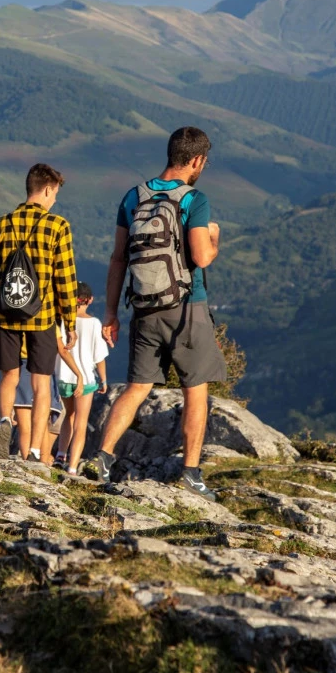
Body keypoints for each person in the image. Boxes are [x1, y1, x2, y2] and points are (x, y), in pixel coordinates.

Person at [83, 127, 226, 501]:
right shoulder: (195, 200)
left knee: (137, 388)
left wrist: (111, 314)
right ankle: (191, 476)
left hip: (144, 307)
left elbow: (118, 259)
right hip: (186, 308)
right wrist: (214, 237)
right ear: (196, 161)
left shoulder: (134, 196)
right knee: (195, 391)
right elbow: (200, 257)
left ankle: (101, 458)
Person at [0, 164, 79, 462]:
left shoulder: (2, 224)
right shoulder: (58, 226)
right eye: (55, 193)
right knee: (40, 381)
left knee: (9, 374)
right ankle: (34, 450)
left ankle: (4, 422)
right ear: (47, 189)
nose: (55, 200)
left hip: (6, 315)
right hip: (42, 317)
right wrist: (69, 323)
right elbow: (65, 279)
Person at [0, 345, 76, 464]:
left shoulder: (20, 329)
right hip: (44, 376)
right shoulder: (49, 328)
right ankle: (44, 461)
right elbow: (62, 349)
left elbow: (5, 349)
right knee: (43, 427)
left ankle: (29, 462)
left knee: (25, 428)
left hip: (22, 374)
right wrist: (78, 374)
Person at [54, 283, 109, 475]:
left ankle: (60, 454)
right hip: (84, 379)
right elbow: (99, 356)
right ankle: (72, 467)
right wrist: (103, 379)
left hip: (63, 377)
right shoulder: (94, 323)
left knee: (68, 415)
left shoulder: (62, 321)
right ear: (90, 300)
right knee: (80, 422)